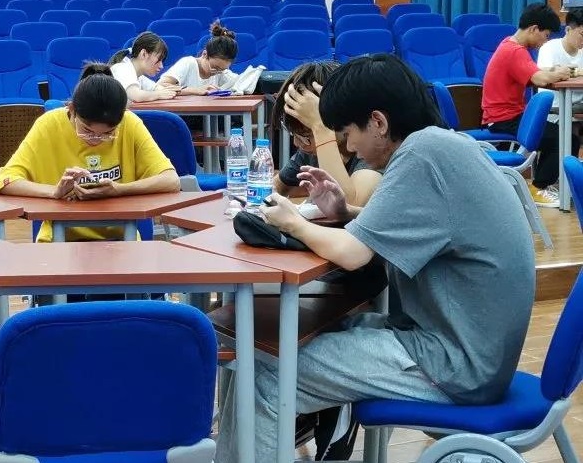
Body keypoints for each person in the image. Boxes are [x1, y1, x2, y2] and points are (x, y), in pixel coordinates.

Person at [216, 54, 535, 462]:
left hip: (454, 365)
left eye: (349, 133)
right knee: (281, 342)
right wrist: (345, 212)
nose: (349, 147)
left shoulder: (421, 155)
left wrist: (293, 223)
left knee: (266, 377)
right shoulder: (445, 145)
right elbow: (414, 225)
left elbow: (352, 254)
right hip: (467, 350)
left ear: (379, 122)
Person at [0, 63, 180, 243]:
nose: (96, 139)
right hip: (59, 239)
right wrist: (54, 192)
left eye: (108, 133)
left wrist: (118, 190)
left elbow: (171, 180)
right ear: (72, 109)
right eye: (87, 131)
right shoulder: (48, 125)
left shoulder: (130, 123)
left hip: (122, 238)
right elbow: (6, 182)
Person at [481, 2, 575, 207]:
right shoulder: (515, 51)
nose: (545, 41)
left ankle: (546, 185)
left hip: (506, 116)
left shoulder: (509, 44)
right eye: (546, 35)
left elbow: (535, 72)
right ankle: (538, 188)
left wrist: (553, 71)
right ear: (534, 29)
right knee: (563, 138)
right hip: (504, 119)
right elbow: (540, 79)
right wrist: (559, 73)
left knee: (560, 135)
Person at [272, 61, 382, 206]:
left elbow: (348, 207)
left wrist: (321, 128)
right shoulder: (310, 150)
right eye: (295, 134)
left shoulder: (372, 149)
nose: (297, 143)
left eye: (305, 136)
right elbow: (275, 187)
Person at [535, 7, 583, 204]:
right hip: (555, 109)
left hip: (578, 109)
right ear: (568, 30)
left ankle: (572, 184)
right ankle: (542, 186)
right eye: (582, 34)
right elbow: (546, 74)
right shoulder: (550, 48)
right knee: (568, 139)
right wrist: (571, 72)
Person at [157, 21, 238, 95]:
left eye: (222, 69)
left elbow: (241, 82)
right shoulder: (188, 63)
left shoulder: (221, 72)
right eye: (215, 67)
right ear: (205, 54)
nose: (217, 72)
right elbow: (160, 86)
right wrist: (195, 90)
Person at [108, 31, 179, 102]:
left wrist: (169, 90)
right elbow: (136, 96)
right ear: (143, 54)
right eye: (159, 60)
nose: (161, 66)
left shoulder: (139, 76)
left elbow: (156, 88)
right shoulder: (122, 68)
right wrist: (159, 94)